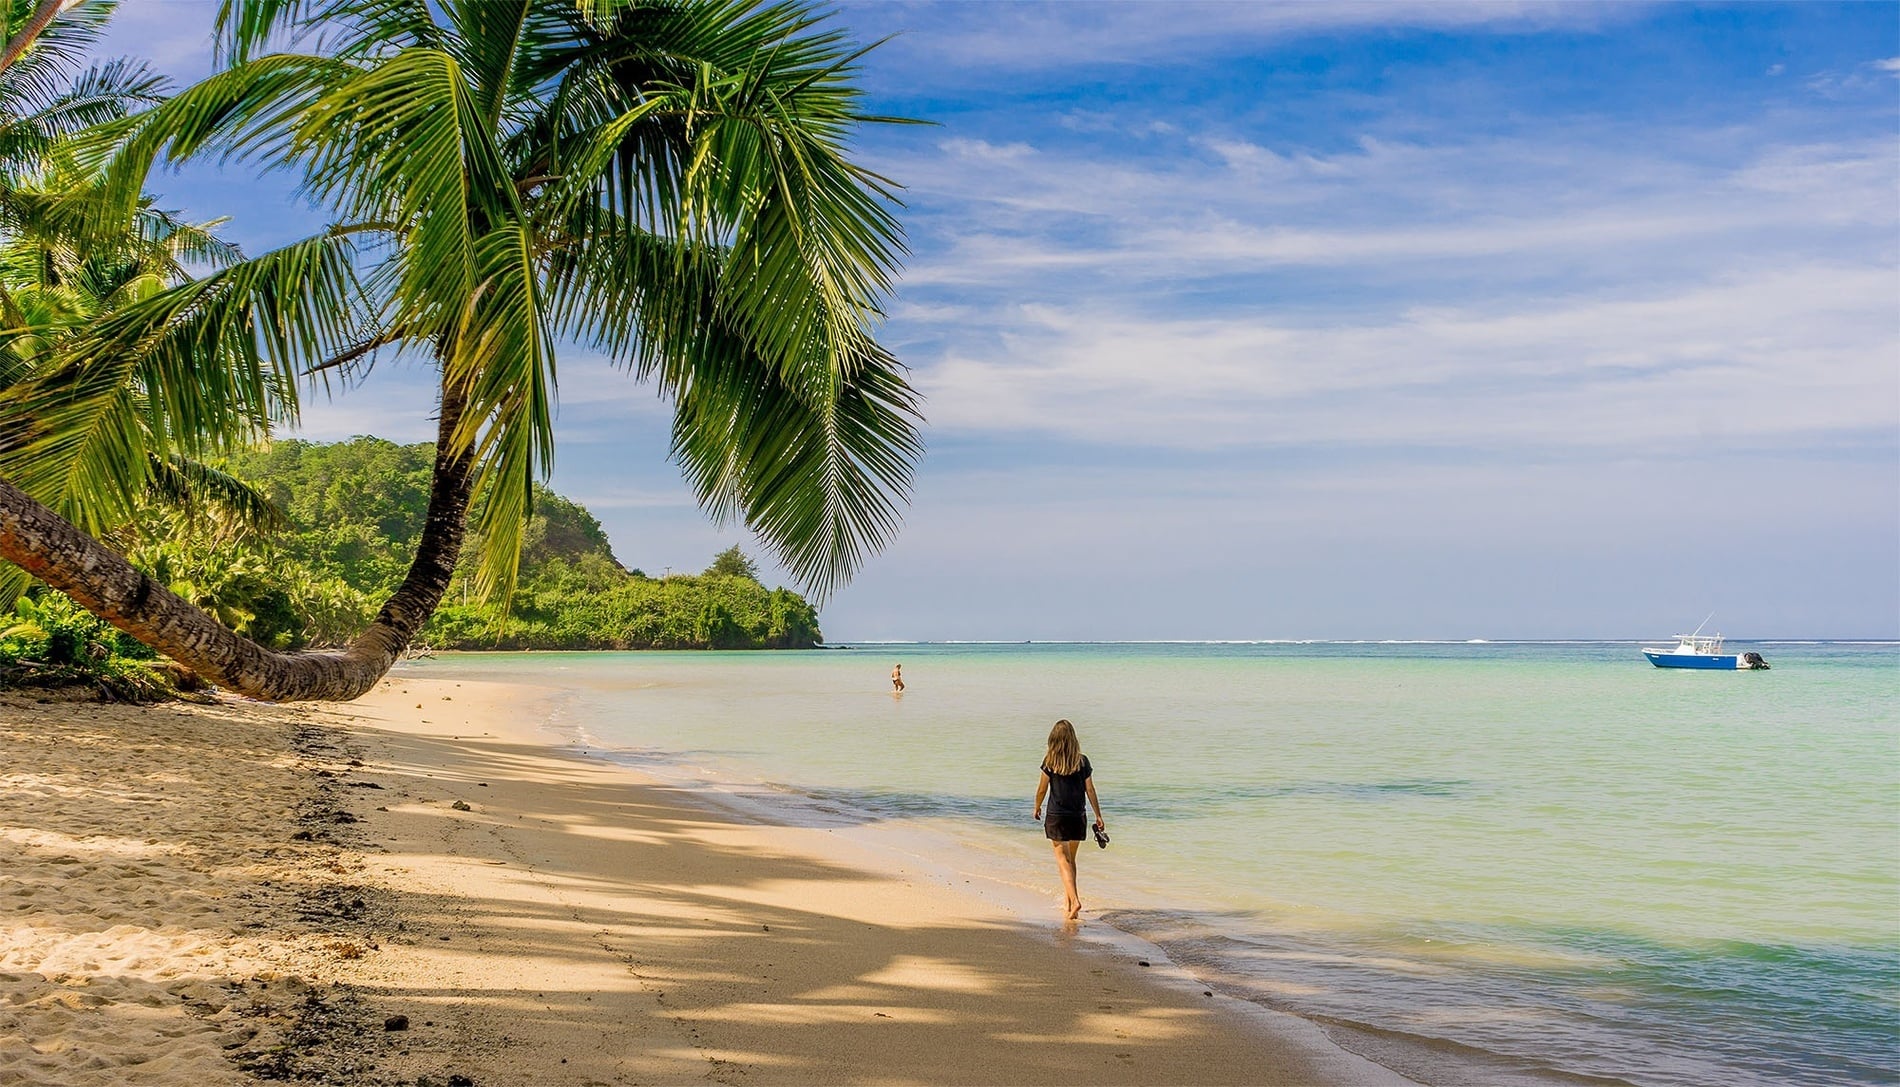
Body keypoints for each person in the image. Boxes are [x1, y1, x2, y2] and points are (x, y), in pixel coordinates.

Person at [1032, 718, 1104, 920]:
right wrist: (1098, 814)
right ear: (1073, 739)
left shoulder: (1050, 761)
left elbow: (1042, 789)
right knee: (1071, 860)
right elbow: (1090, 789)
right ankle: (1069, 902)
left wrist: (1037, 807)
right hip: (1077, 816)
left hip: (1057, 817)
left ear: (1053, 739)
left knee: (1062, 861)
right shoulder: (1082, 761)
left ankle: (1075, 900)